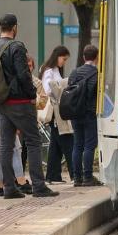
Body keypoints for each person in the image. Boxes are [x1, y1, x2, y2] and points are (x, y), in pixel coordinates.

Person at [0, 14, 58, 198]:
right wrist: (31, 95)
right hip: (20, 102)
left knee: (5, 145)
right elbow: (23, 74)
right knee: (33, 142)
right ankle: (38, 186)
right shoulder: (17, 47)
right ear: (14, 28)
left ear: (0, 27)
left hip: (2, 103)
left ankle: (9, 188)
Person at [40, 45, 74, 183]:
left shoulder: (53, 70)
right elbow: (49, 90)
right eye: (63, 59)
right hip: (55, 111)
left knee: (56, 145)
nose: (64, 62)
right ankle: (75, 173)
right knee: (67, 141)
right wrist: (63, 85)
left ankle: (53, 175)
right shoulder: (49, 71)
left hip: (57, 110)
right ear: (57, 56)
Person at [69, 44, 102, 187]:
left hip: (75, 113)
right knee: (89, 146)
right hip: (90, 113)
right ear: (97, 58)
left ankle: (77, 178)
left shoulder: (74, 72)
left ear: (83, 57)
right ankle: (88, 177)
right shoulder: (97, 74)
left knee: (77, 145)